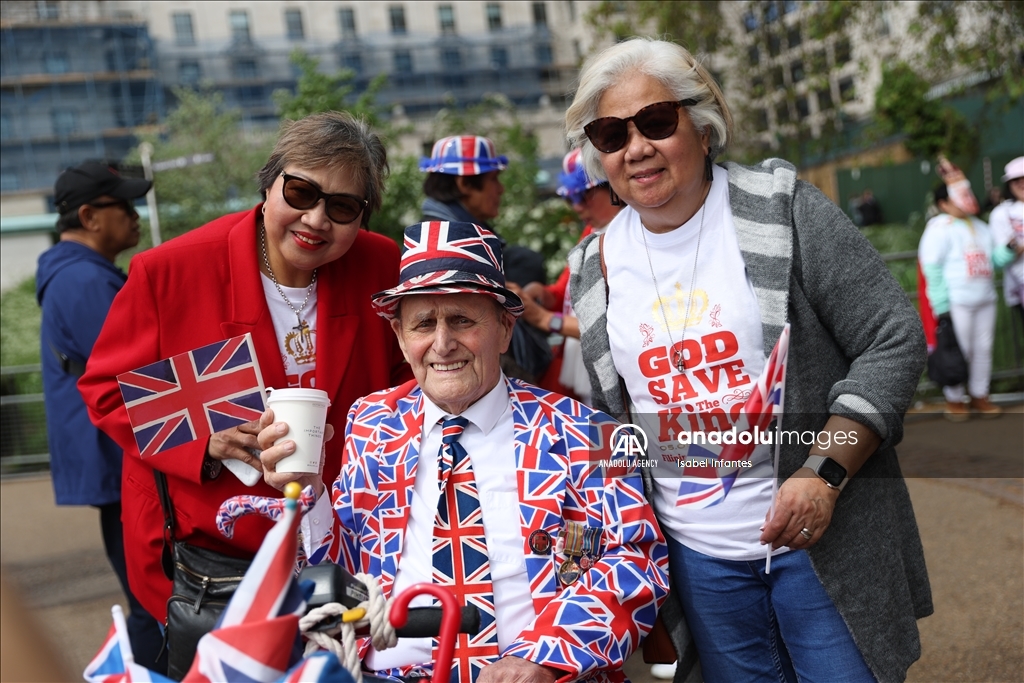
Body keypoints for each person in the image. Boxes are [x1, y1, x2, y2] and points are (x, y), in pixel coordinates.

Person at [565, 38, 932, 683]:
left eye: (656, 122)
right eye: (611, 134)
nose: (637, 148)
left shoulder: (782, 207)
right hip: (699, 564)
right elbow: (612, 425)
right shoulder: (591, 268)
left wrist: (823, 474)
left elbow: (891, 337)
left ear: (703, 128)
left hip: (825, 539)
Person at [257, 221, 669, 683]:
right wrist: (307, 494)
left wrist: (543, 659)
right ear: (399, 335)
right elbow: (342, 567)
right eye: (423, 324)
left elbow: (633, 561)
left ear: (505, 328)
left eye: (462, 320)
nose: (442, 344)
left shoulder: (588, 431)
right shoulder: (371, 422)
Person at [78, 112, 411, 630]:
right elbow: (106, 391)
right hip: (218, 552)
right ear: (269, 184)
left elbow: (404, 380)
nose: (317, 219)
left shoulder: (379, 263)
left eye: (343, 206)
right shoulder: (171, 271)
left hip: (348, 538)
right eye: (301, 192)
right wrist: (204, 443)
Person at [36, 161, 164, 671]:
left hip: (109, 456)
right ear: (89, 216)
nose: (134, 217)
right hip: (118, 456)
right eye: (124, 206)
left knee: (146, 592)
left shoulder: (77, 273)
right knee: (152, 598)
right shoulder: (84, 281)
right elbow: (138, 370)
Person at [420, 134, 551, 383]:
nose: (500, 189)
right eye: (493, 179)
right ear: (464, 184)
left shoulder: (455, 236)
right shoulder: (449, 247)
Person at [516, 148, 623, 403]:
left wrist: (544, 318)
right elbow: (565, 291)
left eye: (584, 195)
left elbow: (613, 325)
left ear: (614, 186)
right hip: (587, 375)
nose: (576, 206)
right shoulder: (593, 230)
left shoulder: (629, 235)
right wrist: (540, 295)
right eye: (570, 198)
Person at [920, 183, 1012, 420]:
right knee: (957, 350)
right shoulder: (939, 228)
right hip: (957, 301)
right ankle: (955, 398)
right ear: (943, 204)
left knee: (983, 349)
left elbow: (994, 260)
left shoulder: (981, 227)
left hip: (985, 297)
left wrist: (1010, 249)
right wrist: (941, 305)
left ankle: (980, 395)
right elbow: (931, 267)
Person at [988, 156, 1024, 333]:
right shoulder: (1002, 213)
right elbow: (999, 258)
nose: (1022, 184)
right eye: (1017, 180)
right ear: (1009, 184)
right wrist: (1014, 248)